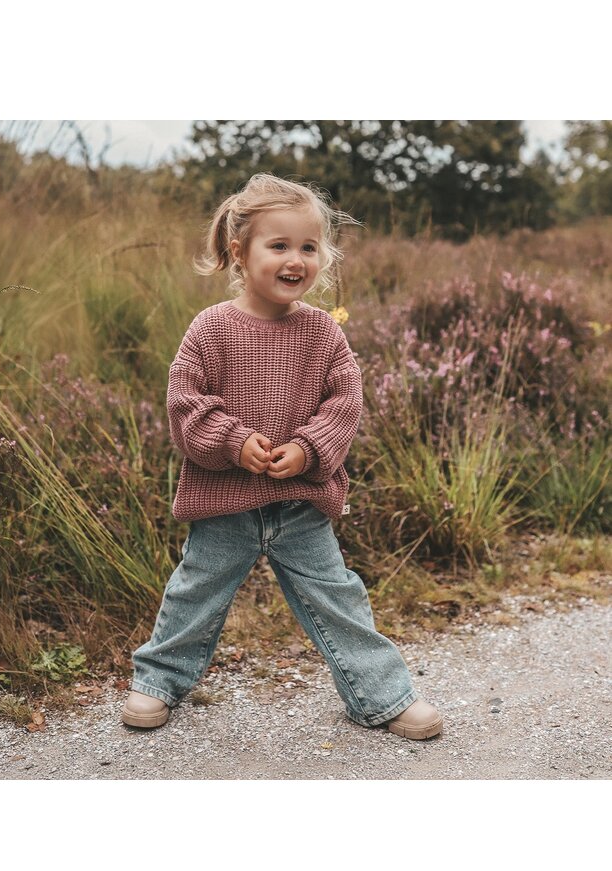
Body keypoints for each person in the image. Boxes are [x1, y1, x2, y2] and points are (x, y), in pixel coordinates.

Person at [122, 172, 443, 740]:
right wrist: (232, 442)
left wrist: (310, 448)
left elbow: (346, 399)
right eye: (279, 246)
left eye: (309, 247)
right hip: (225, 501)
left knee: (337, 597)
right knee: (195, 592)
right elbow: (185, 402)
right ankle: (158, 680)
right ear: (238, 253)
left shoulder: (322, 333)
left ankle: (382, 695)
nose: (296, 259)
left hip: (300, 503)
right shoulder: (212, 329)